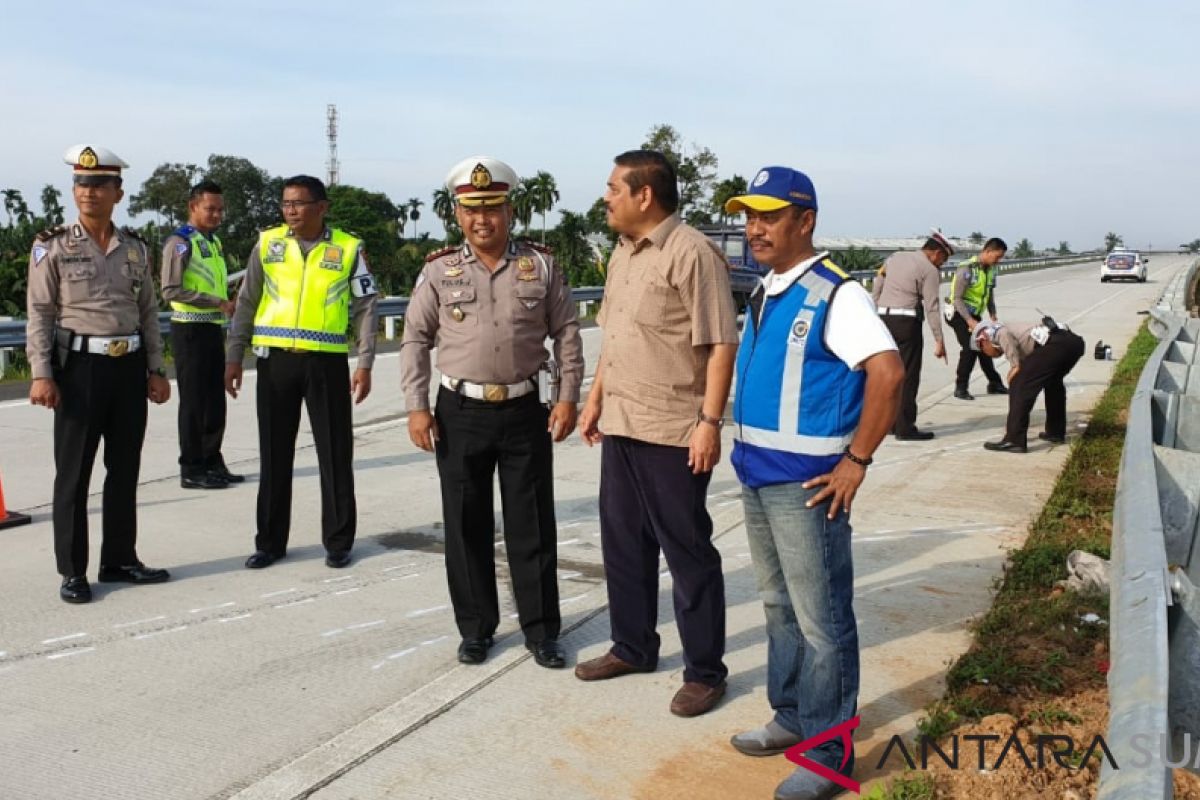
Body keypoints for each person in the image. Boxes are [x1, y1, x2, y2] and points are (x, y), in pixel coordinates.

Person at [723, 166, 903, 800]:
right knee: (778, 608)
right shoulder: (767, 289)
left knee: (823, 620)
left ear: (806, 221)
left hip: (808, 486)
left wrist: (857, 460)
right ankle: (792, 717)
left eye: (769, 216)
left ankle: (829, 756)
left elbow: (887, 373)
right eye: (750, 216)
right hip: (756, 476)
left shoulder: (836, 293)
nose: (755, 228)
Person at [400, 156, 584, 670]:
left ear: (510, 210)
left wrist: (568, 396)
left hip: (526, 408)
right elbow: (415, 338)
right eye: (471, 210)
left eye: (493, 209)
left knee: (532, 524)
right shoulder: (439, 270)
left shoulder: (540, 264)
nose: (483, 220)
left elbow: (567, 331)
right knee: (465, 525)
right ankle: (476, 629)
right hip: (459, 411)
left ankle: (542, 631)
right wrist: (417, 406)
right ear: (457, 214)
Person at [574, 150, 739, 718]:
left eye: (614, 187)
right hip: (622, 420)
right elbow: (615, 338)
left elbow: (721, 343)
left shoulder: (692, 253)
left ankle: (705, 672)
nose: (606, 197)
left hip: (674, 429)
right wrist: (593, 402)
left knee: (687, 551)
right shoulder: (622, 254)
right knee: (623, 543)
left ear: (645, 195)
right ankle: (634, 646)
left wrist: (710, 423)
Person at [26, 145, 172, 604]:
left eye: (98, 185)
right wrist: (41, 373)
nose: (88, 193)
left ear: (118, 193)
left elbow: (148, 311)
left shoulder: (134, 247)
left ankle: (120, 559)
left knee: (124, 469)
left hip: (128, 368)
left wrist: (156, 368)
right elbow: (39, 313)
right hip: (79, 371)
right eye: (81, 185)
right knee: (74, 475)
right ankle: (73, 570)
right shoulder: (51, 245)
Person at [224, 175, 378, 569]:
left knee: (334, 453)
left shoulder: (347, 248)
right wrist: (234, 354)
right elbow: (247, 300)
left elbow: (365, 307)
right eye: (285, 203)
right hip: (275, 362)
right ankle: (270, 542)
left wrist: (364, 362)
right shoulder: (268, 243)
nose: (290, 210)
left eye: (298, 203)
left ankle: (339, 541)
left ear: (321, 207)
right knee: (274, 455)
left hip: (325, 362)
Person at [161, 179, 243, 489]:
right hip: (190, 328)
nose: (217, 215)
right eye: (210, 209)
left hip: (211, 328)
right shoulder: (180, 242)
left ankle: (212, 459)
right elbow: (171, 288)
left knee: (214, 399)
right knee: (194, 401)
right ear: (193, 207)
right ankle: (191, 467)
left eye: (221, 210)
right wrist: (217, 302)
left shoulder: (213, 241)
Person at [870, 229, 953, 440]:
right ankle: (905, 427)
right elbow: (932, 306)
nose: (942, 263)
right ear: (936, 252)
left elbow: (878, 282)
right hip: (907, 324)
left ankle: (888, 423)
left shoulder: (895, 257)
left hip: (884, 320)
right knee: (907, 376)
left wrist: (876, 310)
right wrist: (939, 339)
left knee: (886, 374)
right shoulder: (929, 270)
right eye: (944, 258)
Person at [975, 318, 1085, 453]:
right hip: (1072, 343)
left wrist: (1014, 365)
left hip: (1055, 345)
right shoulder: (1017, 333)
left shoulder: (992, 331)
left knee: (1019, 385)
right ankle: (1055, 432)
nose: (987, 355)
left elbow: (1003, 334)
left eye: (983, 350)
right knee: (1053, 383)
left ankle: (1014, 440)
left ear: (982, 341)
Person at [947, 237, 1008, 400]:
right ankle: (960, 388)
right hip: (957, 313)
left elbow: (989, 294)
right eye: (997, 256)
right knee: (970, 348)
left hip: (975, 315)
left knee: (984, 346)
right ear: (987, 251)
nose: (998, 260)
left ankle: (994, 383)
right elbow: (957, 299)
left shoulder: (991, 270)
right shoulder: (967, 269)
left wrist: (993, 314)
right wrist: (969, 320)